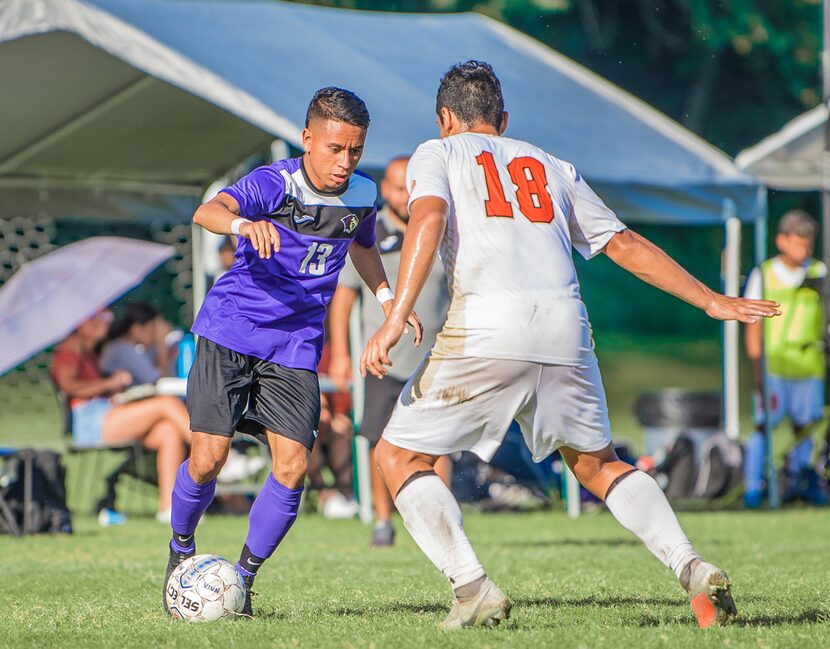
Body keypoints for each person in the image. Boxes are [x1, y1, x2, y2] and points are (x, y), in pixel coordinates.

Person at [360, 61, 780, 630]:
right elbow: (622, 242)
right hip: (565, 325)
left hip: (486, 322)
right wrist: (710, 300)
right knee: (598, 465)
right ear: (503, 120)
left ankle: (472, 587)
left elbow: (427, 217)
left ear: (444, 119)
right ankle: (691, 566)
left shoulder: (438, 152)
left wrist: (396, 313)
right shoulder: (552, 165)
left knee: (395, 456)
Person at [163, 87, 421, 617]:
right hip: (231, 331)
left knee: (293, 465)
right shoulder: (273, 184)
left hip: (295, 346)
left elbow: (363, 245)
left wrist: (389, 298)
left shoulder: (362, 195)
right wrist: (243, 224)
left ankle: (241, 580)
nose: (343, 162)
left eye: (354, 150)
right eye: (333, 149)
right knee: (209, 458)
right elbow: (206, 211)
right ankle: (180, 551)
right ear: (308, 139)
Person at [329, 155, 452, 547]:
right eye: (399, 188)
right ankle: (384, 521)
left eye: (412, 187)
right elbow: (343, 298)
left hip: (434, 359)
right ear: (385, 190)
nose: (406, 196)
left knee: (437, 443)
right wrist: (342, 356)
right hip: (383, 361)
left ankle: (442, 521)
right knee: (379, 441)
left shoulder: (438, 230)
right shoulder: (369, 234)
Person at [50, 310, 192, 522]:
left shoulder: (88, 350)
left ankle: (169, 508)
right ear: (80, 323)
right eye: (96, 318)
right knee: (167, 404)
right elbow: (68, 385)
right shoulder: (69, 350)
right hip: (90, 421)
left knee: (168, 432)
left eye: (105, 318)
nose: (104, 322)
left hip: (103, 412)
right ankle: (216, 458)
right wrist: (110, 384)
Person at [743, 210, 828, 507]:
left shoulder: (820, 272)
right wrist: (757, 368)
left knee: (805, 427)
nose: (804, 249)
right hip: (775, 366)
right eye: (798, 242)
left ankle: (799, 481)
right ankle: (753, 487)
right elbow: (753, 326)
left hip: (809, 366)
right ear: (782, 240)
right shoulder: (764, 273)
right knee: (764, 425)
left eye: (808, 243)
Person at [100, 302, 175, 386]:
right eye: (153, 329)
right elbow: (162, 382)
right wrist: (161, 344)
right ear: (136, 329)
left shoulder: (117, 346)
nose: (155, 335)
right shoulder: (123, 350)